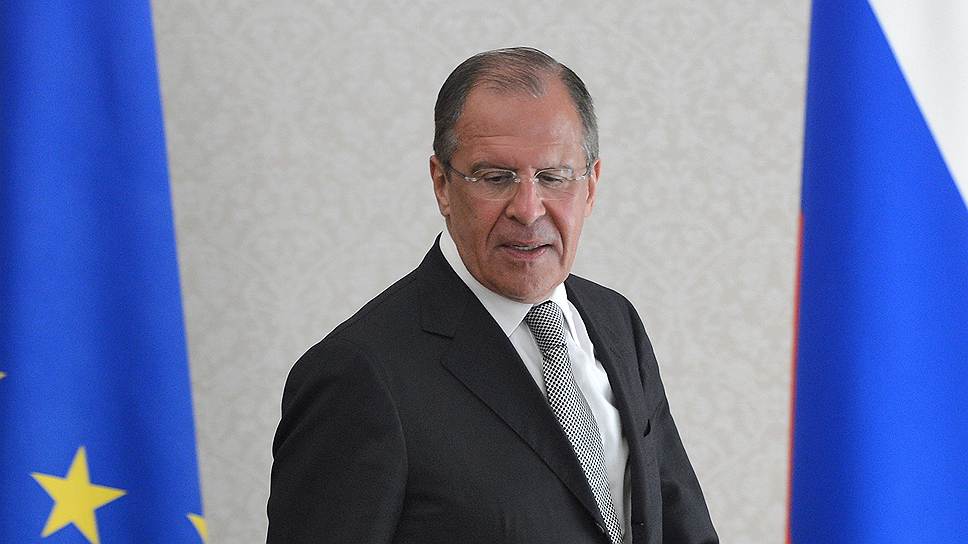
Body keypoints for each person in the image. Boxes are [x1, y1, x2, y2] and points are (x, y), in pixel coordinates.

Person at [267, 47, 718, 544]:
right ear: (442, 185)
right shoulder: (359, 374)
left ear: (590, 186)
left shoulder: (616, 322)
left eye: (553, 177)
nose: (528, 209)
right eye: (496, 178)